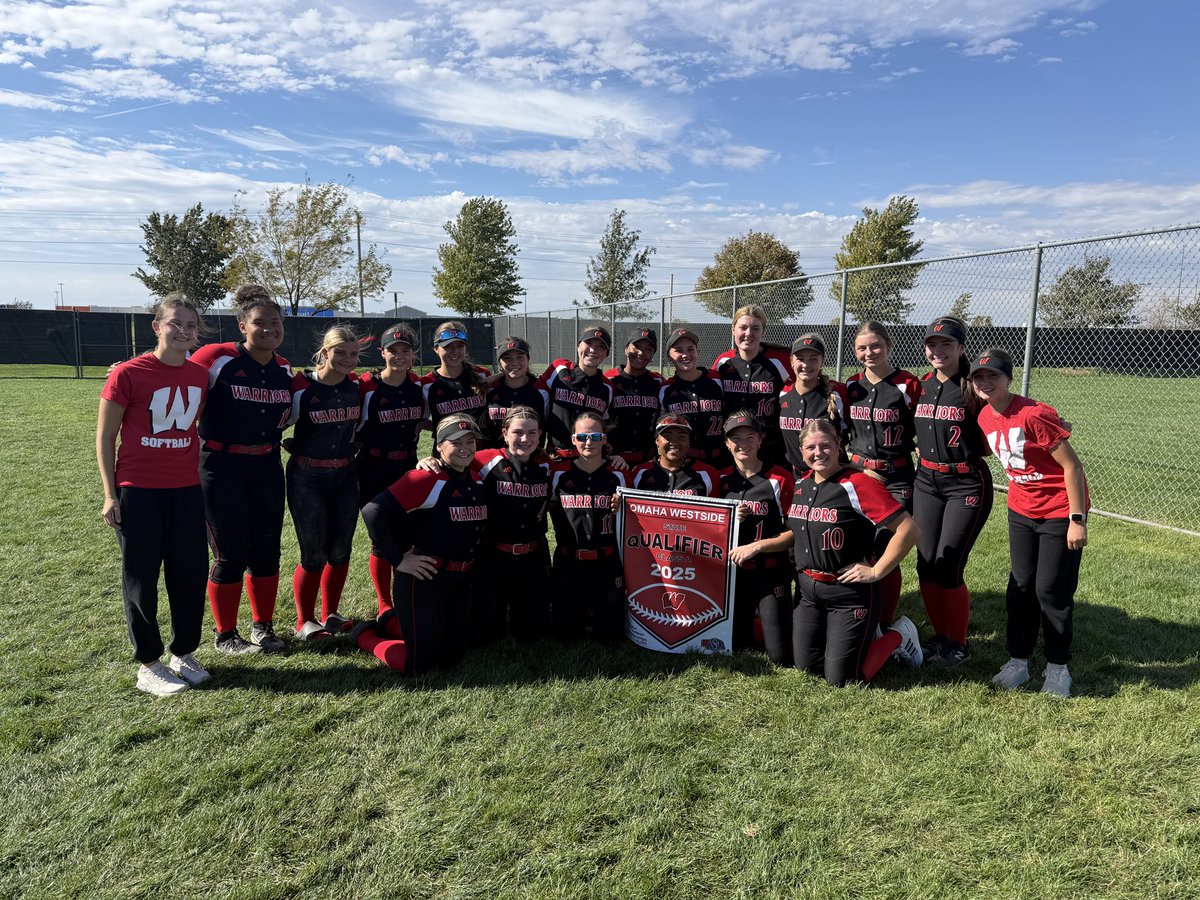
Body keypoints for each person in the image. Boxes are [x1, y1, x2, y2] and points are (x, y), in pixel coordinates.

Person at [96, 293, 209, 696]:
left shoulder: (200, 375)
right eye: (175, 323)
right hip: (138, 491)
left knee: (189, 574)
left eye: (191, 325)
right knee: (141, 578)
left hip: (187, 490)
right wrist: (110, 495)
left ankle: (184, 652)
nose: (183, 331)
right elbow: (105, 436)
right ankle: (148, 663)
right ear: (157, 326)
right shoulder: (128, 374)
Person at [970, 348, 1090, 698]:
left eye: (993, 375)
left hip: (1059, 511)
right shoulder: (984, 416)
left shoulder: (1033, 414)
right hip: (1021, 510)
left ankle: (1057, 667)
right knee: (1021, 587)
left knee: (1051, 589)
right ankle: (1018, 661)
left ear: (1009, 378)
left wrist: (1077, 519)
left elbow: (1072, 467)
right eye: (979, 376)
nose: (986, 382)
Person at [189, 284, 293, 654]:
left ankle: (263, 627)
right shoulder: (216, 357)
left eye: (276, 322)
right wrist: (133, 367)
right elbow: (174, 376)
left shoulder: (284, 367)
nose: (270, 329)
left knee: (267, 550)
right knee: (230, 552)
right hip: (221, 466)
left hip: (267, 465)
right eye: (260, 322)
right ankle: (225, 635)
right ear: (242, 326)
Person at [787, 420, 923, 687]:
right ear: (801, 451)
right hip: (808, 593)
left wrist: (876, 571)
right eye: (811, 447)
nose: (818, 453)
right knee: (806, 667)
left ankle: (899, 635)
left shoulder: (857, 483)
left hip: (848, 594)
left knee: (843, 680)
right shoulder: (801, 485)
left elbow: (909, 529)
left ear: (838, 446)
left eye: (825, 446)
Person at [352, 414, 489, 673]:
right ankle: (366, 636)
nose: (464, 448)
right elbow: (373, 511)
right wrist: (399, 559)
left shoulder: (476, 478)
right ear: (439, 446)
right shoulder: (427, 477)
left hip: (460, 581)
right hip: (426, 580)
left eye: (470, 442)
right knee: (419, 664)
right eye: (455, 442)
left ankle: (391, 623)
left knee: (452, 657)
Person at [913, 316, 994, 667]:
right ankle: (940, 636)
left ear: (961, 347)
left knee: (948, 565)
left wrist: (1051, 421)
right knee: (926, 563)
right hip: (926, 481)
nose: (938, 350)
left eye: (947, 343)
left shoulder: (974, 384)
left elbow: (1012, 409)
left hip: (965, 482)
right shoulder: (921, 384)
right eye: (932, 344)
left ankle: (957, 644)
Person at [285, 325, 363, 640]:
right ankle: (304, 621)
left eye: (353, 354)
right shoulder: (302, 386)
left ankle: (330, 613)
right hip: (308, 476)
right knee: (313, 552)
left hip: (345, 474)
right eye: (340, 352)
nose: (347, 359)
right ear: (325, 352)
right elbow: (274, 422)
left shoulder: (356, 385)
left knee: (341, 549)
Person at [844, 321, 922, 630]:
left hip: (896, 475)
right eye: (861, 348)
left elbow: (925, 427)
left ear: (888, 346)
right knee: (858, 545)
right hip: (860, 474)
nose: (869, 352)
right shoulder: (851, 385)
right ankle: (860, 611)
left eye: (875, 346)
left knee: (886, 547)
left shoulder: (907, 384)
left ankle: (885, 621)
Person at [357, 322, 427, 614]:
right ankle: (384, 603)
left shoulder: (419, 387)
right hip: (374, 465)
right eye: (393, 350)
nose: (399, 356)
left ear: (413, 355)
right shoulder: (367, 386)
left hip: (407, 465)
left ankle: (405, 593)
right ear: (382, 353)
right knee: (380, 538)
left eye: (405, 351)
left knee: (406, 534)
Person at [719, 411, 795, 664]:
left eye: (750, 436)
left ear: (761, 440)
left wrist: (758, 546)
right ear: (727, 443)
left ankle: (774, 619)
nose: (743, 444)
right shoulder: (719, 479)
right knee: (736, 645)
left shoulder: (779, 478)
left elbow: (795, 533)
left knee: (780, 656)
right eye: (736, 438)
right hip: (733, 575)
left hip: (770, 571)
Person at [547, 411, 629, 640]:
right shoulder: (557, 474)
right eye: (582, 437)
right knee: (565, 635)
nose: (588, 442)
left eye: (595, 436)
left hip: (607, 561)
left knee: (611, 636)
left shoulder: (620, 475)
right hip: (569, 561)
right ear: (573, 439)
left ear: (604, 439)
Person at [713, 305, 794, 467]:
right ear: (733, 330)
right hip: (733, 446)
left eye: (755, 328)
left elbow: (804, 384)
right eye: (743, 327)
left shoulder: (780, 361)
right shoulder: (723, 362)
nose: (748, 333)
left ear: (763, 331)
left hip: (770, 445)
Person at [537, 325, 615, 457]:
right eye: (588, 343)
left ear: (606, 354)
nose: (593, 350)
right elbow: (535, 398)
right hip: (556, 456)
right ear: (578, 345)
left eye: (600, 347)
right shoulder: (559, 369)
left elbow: (605, 423)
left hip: (589, 458)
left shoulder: (608, 387)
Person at [778, 333, 847, 477]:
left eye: (813, 359)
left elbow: (847, 438)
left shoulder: (835, 397)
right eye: (800, 359)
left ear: (822, 362)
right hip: (793, 476)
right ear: (791, 361)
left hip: (829, 477)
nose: (806, 365)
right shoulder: (782, 395)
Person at [658, 328, 726, 466]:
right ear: (669, 357)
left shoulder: (717, 380)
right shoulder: (666, 389)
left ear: (697, 352)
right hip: (684, 461)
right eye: (679, 350)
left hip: (721, 457)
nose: (685, 355)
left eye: (690, 349)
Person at [604, 328, 664, 466]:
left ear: (653, 355)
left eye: (649, 349)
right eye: (637, 346)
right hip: (614, 459)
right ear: (626, 349)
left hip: (648, 460)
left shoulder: (658, 382)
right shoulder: (609, 380)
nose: (641, 352)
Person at [421, 320, 490, 431]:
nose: (455, 351)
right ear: (436, 348)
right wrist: (444, 430)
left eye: (460, 346)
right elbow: (421, 421)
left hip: (482, 441)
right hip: (446, 442)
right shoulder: (426, 383)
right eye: (448, 346)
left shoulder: (482, 374)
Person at [482, 337, 549, 449]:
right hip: (495, 456)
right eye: (507, 358)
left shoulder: (542, 392)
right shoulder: (489, 390)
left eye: (520, 357)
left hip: (531, 456)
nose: (514, 362)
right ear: (500, 363)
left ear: (528, 360)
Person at [630, 414, 721, 496]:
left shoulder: (709, 474)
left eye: (681, 437)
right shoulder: (639, 472)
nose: (674, 442)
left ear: (689, 441)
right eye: (667, 436)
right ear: (657, 441)